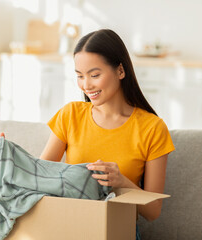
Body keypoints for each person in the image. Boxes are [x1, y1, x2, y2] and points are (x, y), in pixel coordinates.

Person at [40, 29, 175, 227]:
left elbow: (153, 210)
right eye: (80, 76)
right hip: (71, 226)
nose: (86, 85)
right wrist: (6, 161)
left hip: (117, 230)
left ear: (120, 71)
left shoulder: (152, 128)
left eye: (94, 75)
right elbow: (39, 177)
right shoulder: (70, 115)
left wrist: (121, 182)